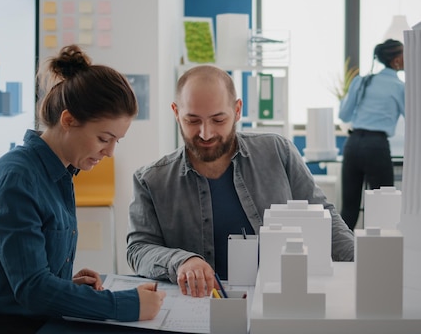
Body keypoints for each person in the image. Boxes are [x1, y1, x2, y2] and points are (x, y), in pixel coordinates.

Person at [0, 45, 165, 333]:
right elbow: (33, 290)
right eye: (104, 138)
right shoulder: (16, 179)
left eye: (117, 141)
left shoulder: (60, 175)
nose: (110, 152)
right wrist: (126, 304)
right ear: (68, 120)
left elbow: (29, 276)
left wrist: (65, 286)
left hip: (34, 316)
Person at [127, 65, 355, 298]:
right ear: (176, 112)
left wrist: (361, 263)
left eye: (218, 120)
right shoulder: (151, 180)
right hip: (202, 307)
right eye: (193, 121)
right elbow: (139, 250)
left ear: (237, 110)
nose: (206, 133)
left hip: (280, 299)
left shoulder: (278, 151)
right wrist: (181, 261)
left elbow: (323, 216)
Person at [338, 39, 405, 230]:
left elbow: (344, 115)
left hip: (352, 144)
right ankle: (380, 256)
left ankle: (340, 256)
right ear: (396, 60)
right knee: (383, 208)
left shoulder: (361, 81)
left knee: (349, 209)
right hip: (376, 147)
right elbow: (414, 117)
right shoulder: (399, 87)